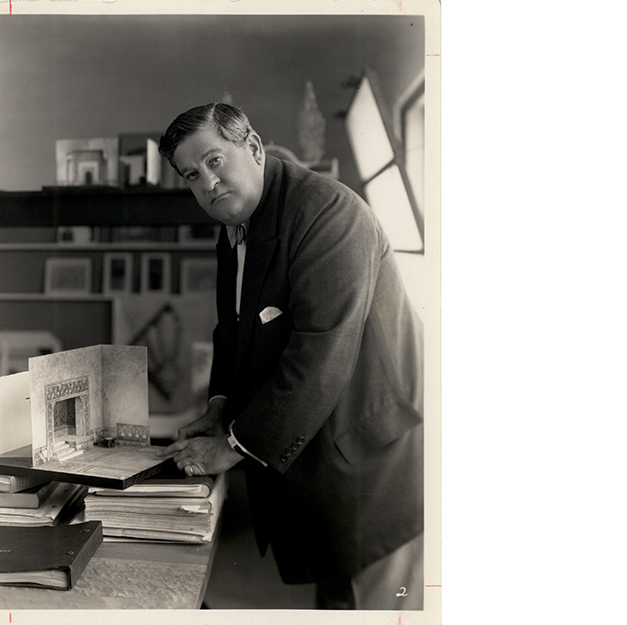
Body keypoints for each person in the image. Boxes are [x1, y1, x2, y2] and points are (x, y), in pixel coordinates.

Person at [156, 103, 425, 610]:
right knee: (335, 596)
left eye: (215, 161)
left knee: (380, 602)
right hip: (320, 444)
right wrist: (219, 406)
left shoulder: (330, 214)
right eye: (192, 175)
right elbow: (233, 327)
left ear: (253, 148)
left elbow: (321, 351)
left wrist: (233, 445)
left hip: (367, 451)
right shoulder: (240, 219)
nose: (208, 184)